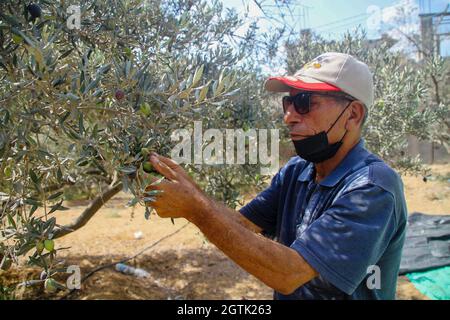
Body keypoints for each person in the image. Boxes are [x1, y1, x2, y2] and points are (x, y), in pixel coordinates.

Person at [145, 52, 408, 300]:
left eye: (305, 103)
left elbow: (289, 273)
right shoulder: (298, 170)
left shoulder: (373, 188)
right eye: (288, 102)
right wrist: (192, 192)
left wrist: (197, 210)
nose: (288, 117)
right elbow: (242, 224)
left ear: (353, 114)